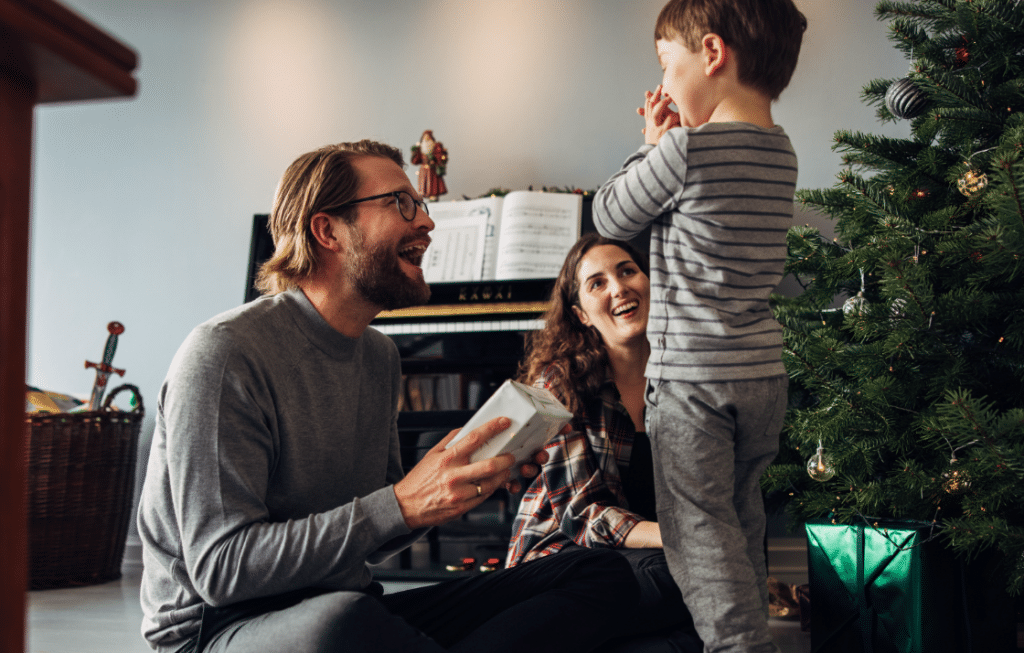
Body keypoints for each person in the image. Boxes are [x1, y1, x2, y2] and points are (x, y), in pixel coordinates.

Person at [136, 139, 640, 653]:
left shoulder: (378, 354)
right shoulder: (223, 355)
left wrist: (460, 484)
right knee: (342, 623)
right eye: (402, 203)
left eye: (419, 204)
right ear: (327, 229)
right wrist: (402, 504)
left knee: (595, 572)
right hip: (222, 629)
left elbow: (382, 524)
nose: (426, 222)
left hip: (352, 604)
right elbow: (223, 569)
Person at [590, 1, 806, 652]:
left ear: (712, 55)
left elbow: (610, 214)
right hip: (761, 377)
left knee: (695, 528)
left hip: (694, 383)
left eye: (667, 63)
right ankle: (749, 630)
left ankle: (736, 646)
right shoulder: (781, 150)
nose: (665, 79)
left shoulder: (685, 149)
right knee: (740, 515)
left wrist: (651, 145)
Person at [507, 234, 702, 653]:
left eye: (627, 271)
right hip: (563, 561)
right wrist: (682, 537)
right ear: (581, 314)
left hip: (643, 557)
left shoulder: (686, 377)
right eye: (597, 283)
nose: (618, 288)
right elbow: (582, 515)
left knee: (697, 618)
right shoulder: (559, 382)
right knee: (687, 581)